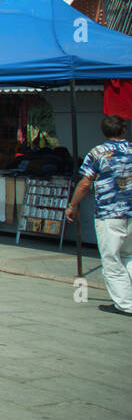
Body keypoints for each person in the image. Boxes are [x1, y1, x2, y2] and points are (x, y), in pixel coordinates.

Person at [67, 115, 132, 317]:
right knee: (129, 255)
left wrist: (73, 205)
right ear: (123, 130)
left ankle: (125, 304)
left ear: (104, 132)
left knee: (112, 259)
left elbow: (86, 183)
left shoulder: (98, 153)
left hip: (109, 212)